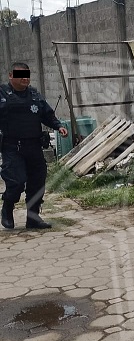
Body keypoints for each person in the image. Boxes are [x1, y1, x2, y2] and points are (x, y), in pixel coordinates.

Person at [0, 62, 68, 230]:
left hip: (34, 146)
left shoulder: (34, 95)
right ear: (10, 76)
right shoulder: (2, 94)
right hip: (12, 146)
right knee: (16, 181)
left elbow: (47, 113)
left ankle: (33, 217)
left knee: (37, 182)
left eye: (27, 75)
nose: (24, 78)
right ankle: (7, 208)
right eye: (20, 75)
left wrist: (58, 126)